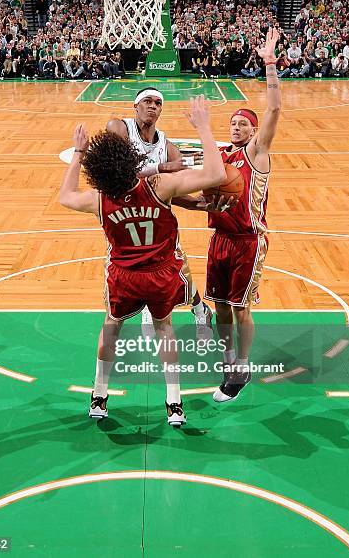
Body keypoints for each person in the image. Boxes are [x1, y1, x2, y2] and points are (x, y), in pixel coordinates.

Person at [59, 96, 227, 425]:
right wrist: (203, 126)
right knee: (165, 329)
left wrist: (78, 153)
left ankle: (99, 396)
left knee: (111, 329)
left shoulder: (99, 199)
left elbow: (65, 196)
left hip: (123, 276)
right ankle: (174, 403)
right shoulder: (159, 186)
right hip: (161, 274)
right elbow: (215, 172)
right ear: (131, 158)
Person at [205, 27, 281, 402]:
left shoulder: (257, 153)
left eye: (243, 124)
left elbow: (274, 109)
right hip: (219, 239)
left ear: (254, 132)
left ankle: (244, 366)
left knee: (241, 308)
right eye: (233, 123)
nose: (236, 127)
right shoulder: (221, 155)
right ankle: (228, 359)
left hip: (248, 241)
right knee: (220, 305)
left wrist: (269, 62)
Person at [106, 87, 215, 339]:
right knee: (130, 271)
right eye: (147, 101)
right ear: (136, 106)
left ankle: (199, 310)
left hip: (156, 220)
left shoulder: (167, 145)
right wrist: (162, 167)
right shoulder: (118, 128)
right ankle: (151, 307)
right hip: (121, 218)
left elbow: (175, 192)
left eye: (157, 102)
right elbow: (116, 172)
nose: (153, 106)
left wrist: (201, 204)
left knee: (177, 268)